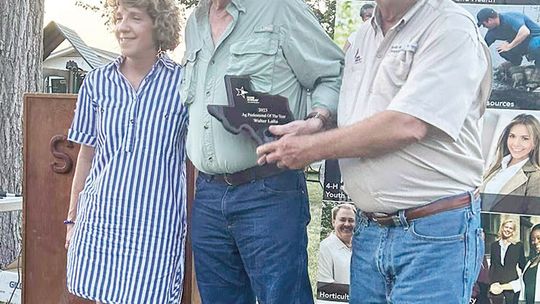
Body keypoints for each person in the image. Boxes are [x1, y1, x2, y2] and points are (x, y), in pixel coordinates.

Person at [257, 0, 492, 302]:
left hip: (434, 234)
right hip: (369, 230)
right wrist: (318, 124)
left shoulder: (449, 26)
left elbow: (409, 124)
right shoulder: (361, 37)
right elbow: (362, 120)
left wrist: (310, 148)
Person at [181, 0, 343, 303]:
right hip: (208, 194)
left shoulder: (280, 9)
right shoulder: (195, 21)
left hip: (269, 190)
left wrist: (316, 120)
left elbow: (333, 74)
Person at [64, 0, 187, 303]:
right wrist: (73, 219)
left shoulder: (183, 84)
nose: (123, 27)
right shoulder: (96, 83)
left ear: (159, 25)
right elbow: (86, 156)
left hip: (155, 225)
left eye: (135, 18)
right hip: (101, 220)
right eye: (119, 18)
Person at [482, 114, 540, 213]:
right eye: (512, 136)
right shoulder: (497, 166)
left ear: (535, 143)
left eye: (525, 138)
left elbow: (534, 216)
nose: (516, 143)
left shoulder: (536, 177)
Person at [489, 224, 540, 304]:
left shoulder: (518, 246)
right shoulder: (531, 262)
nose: (535, 242)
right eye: (533, 239)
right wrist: (501, 287)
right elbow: (521, 283)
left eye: (539, 238)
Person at [488, 219, 526, 304]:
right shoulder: (494, 245)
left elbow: (522, 265)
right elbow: (492, 266)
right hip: (496, 285)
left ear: (513, 231)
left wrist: (524, 282)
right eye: (506, 227)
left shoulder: (518, 246)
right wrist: (490, 283)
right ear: (502, 228)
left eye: (511, 228)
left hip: (511, 285)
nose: (508, 230)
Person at [318, 203, 356, 285]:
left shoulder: (361, 247)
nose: (347, 224)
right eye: (342, 219)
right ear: (333, 222)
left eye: (351, 220)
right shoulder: (325, 248)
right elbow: (325, 286)